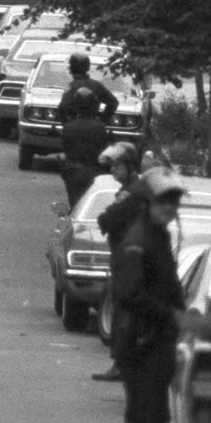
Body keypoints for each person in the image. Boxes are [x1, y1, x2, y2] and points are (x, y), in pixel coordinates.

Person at [108, 167, 187, 423]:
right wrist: (168, 315)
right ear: (148, 203)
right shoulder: (139, 240)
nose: (170, 208)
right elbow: (128, 293)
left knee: (142, 415)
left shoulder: (157, 235)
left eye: (174, 201)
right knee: (151, 419)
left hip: (148, 339)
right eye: (163, 201)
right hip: (143, 341)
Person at [91, 141, 143, 382]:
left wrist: (106, 219)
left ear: (130, 167)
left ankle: (120, 365)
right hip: (129, 259)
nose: (112, 170)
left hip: (128, 262)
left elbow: (107, 219)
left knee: (123, 315)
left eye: (117, 166)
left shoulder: (131, 192)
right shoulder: (135, 189)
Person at [57, 86, 111, 211]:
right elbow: (103, 148)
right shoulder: (100, 127)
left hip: (73, 172)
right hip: (94, 171)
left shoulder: (69, 127)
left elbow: (64, 146)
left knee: (75, 205)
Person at [57, 52, 119, 124]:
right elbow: (113, 103)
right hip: (94, 127)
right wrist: (102, 121)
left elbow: (63, 107)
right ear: (87, 67)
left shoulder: (72, 87)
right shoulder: (97, 86)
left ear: (71, 69)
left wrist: (66, 124)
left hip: (75, 127)